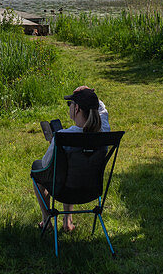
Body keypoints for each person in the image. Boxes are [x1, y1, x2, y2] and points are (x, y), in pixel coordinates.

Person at [31, 86, 110, 232]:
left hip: (64, 190)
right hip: (92, 189)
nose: (70, 107)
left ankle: (46, 220)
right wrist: (91, 96)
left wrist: (55, 150)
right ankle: (67, 222)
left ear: (77, 109)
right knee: (70, 169)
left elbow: (46, 165)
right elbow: (103, 112)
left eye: (70, 104)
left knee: (38, 167)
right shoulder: (104, 133)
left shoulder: (63, 137)